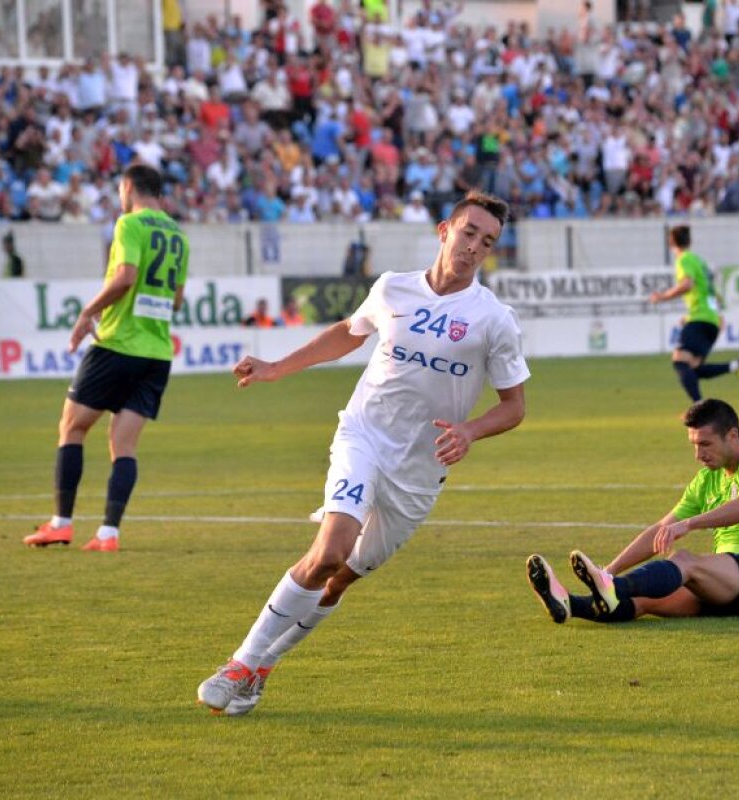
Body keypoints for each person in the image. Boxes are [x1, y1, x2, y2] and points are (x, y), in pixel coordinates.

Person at [196, 190, 530, 717]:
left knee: (339, 579)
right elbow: (349, 334)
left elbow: (514, 406)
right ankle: (241, 663)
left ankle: (263, 667)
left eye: (487, 241)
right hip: (364, 437)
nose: (474, 247)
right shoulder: (393, 287)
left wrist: (470, 431)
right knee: (329, 551)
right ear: (445, 230)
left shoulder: (493, 319)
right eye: (469, 233)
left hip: (419, 472)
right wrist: (277, 367)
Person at [23, 164, 189, 553]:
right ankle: (108, 534)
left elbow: (125, 277)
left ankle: (61, 524)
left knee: (72, 428)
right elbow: (177, 300)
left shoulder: (129, 224)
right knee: (124, 446)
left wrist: (88, 313)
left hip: (117, 344)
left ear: (128, 188)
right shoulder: (179, 235)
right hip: (157, 352)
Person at [527, 398, 739, 624]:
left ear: (732, 436)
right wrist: (608, 572)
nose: (698, 455)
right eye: (694, 445)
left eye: (705, 444)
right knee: (643, 600)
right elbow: (660, 530)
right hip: (724, 583)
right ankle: (569, 604)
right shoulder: (706, 480)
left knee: (684, 560)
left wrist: (689, 524)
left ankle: (612, 588)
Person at [648, 226, 739, 403]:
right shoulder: (700, 262)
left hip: (701, 318)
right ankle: (736, 365)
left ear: (670, 242)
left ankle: (699, 407)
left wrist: (662, 297)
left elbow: (687, 284)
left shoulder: (684, 259)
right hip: (711, 320)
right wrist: (715, 315)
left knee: (680, 361)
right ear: (690, 241)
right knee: (694, 369)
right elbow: (712, 293)